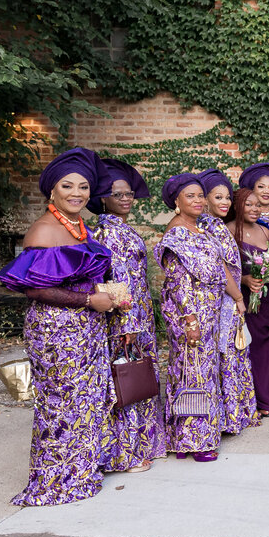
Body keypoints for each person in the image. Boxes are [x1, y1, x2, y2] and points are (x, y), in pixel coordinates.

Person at [0, 148, 116, 504]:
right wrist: (86, 301)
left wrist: (105, 296)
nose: (77, 193)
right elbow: (34, 287)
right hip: (57, 331)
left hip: (87, 327)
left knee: (87, 401)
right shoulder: (44, 230)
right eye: (68, 186)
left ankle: (80, 473)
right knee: (62, 403)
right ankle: (54, 482)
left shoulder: (80, 227)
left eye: (83, 187)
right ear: (53, 191)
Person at [88, 158, 166, 473]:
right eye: (117, 194)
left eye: (129, 193)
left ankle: (146, 443)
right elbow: (113, 280)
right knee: (127, 380)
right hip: (125, 321)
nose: (125, 198)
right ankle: (127, 454)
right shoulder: (105, 231)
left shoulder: (123, 228)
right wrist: (128, 324)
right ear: (102, 198)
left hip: (139, 316)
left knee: (140, 376)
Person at [154, 173, 225, 462]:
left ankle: (181, 439)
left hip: (208, 314)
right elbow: (178, 283)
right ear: (176, 202)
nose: (198, 200)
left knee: (192, 373)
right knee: (193, 374)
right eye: (190, 196)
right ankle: (197, 442)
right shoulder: (177, 234)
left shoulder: (197, 229)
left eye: (200, 195)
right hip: (190, 316)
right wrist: (191, 320)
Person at [198, 168, 256, 434]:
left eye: (227, 198)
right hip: (221, 300)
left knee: (234, 354)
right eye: (217, 197)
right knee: (224, 356)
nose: (224, 202)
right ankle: (227, 417)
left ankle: (236, 413)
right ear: (206, 199)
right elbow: (221, 268)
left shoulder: (217, 225)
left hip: (229, 301)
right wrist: (238, 296)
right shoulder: (205, 227)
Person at [229, 187, 269, 418]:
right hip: (244, 300)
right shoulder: (228, 231)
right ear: (237, 206)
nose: (255, 209)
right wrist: (244, 279)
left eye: (257, 205)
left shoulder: (265, 232)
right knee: (249, 349)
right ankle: (253, 400)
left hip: (266, 299)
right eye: (248, 204)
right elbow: (224, 271)